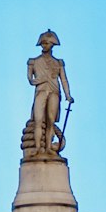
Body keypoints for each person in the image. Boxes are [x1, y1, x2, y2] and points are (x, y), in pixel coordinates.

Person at [27, 30, 72, 158]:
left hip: (54, 91)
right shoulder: (33, 61)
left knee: (51, 121)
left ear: (52, 45)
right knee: (38, 120)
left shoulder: (58, 63)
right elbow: (30, 79)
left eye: (47, 43)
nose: (44, 45)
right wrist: (40, 80)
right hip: (41, 91)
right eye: (43, 43)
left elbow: (63, 79)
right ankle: (37, 149)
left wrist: (68, 95)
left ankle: (48, 148)